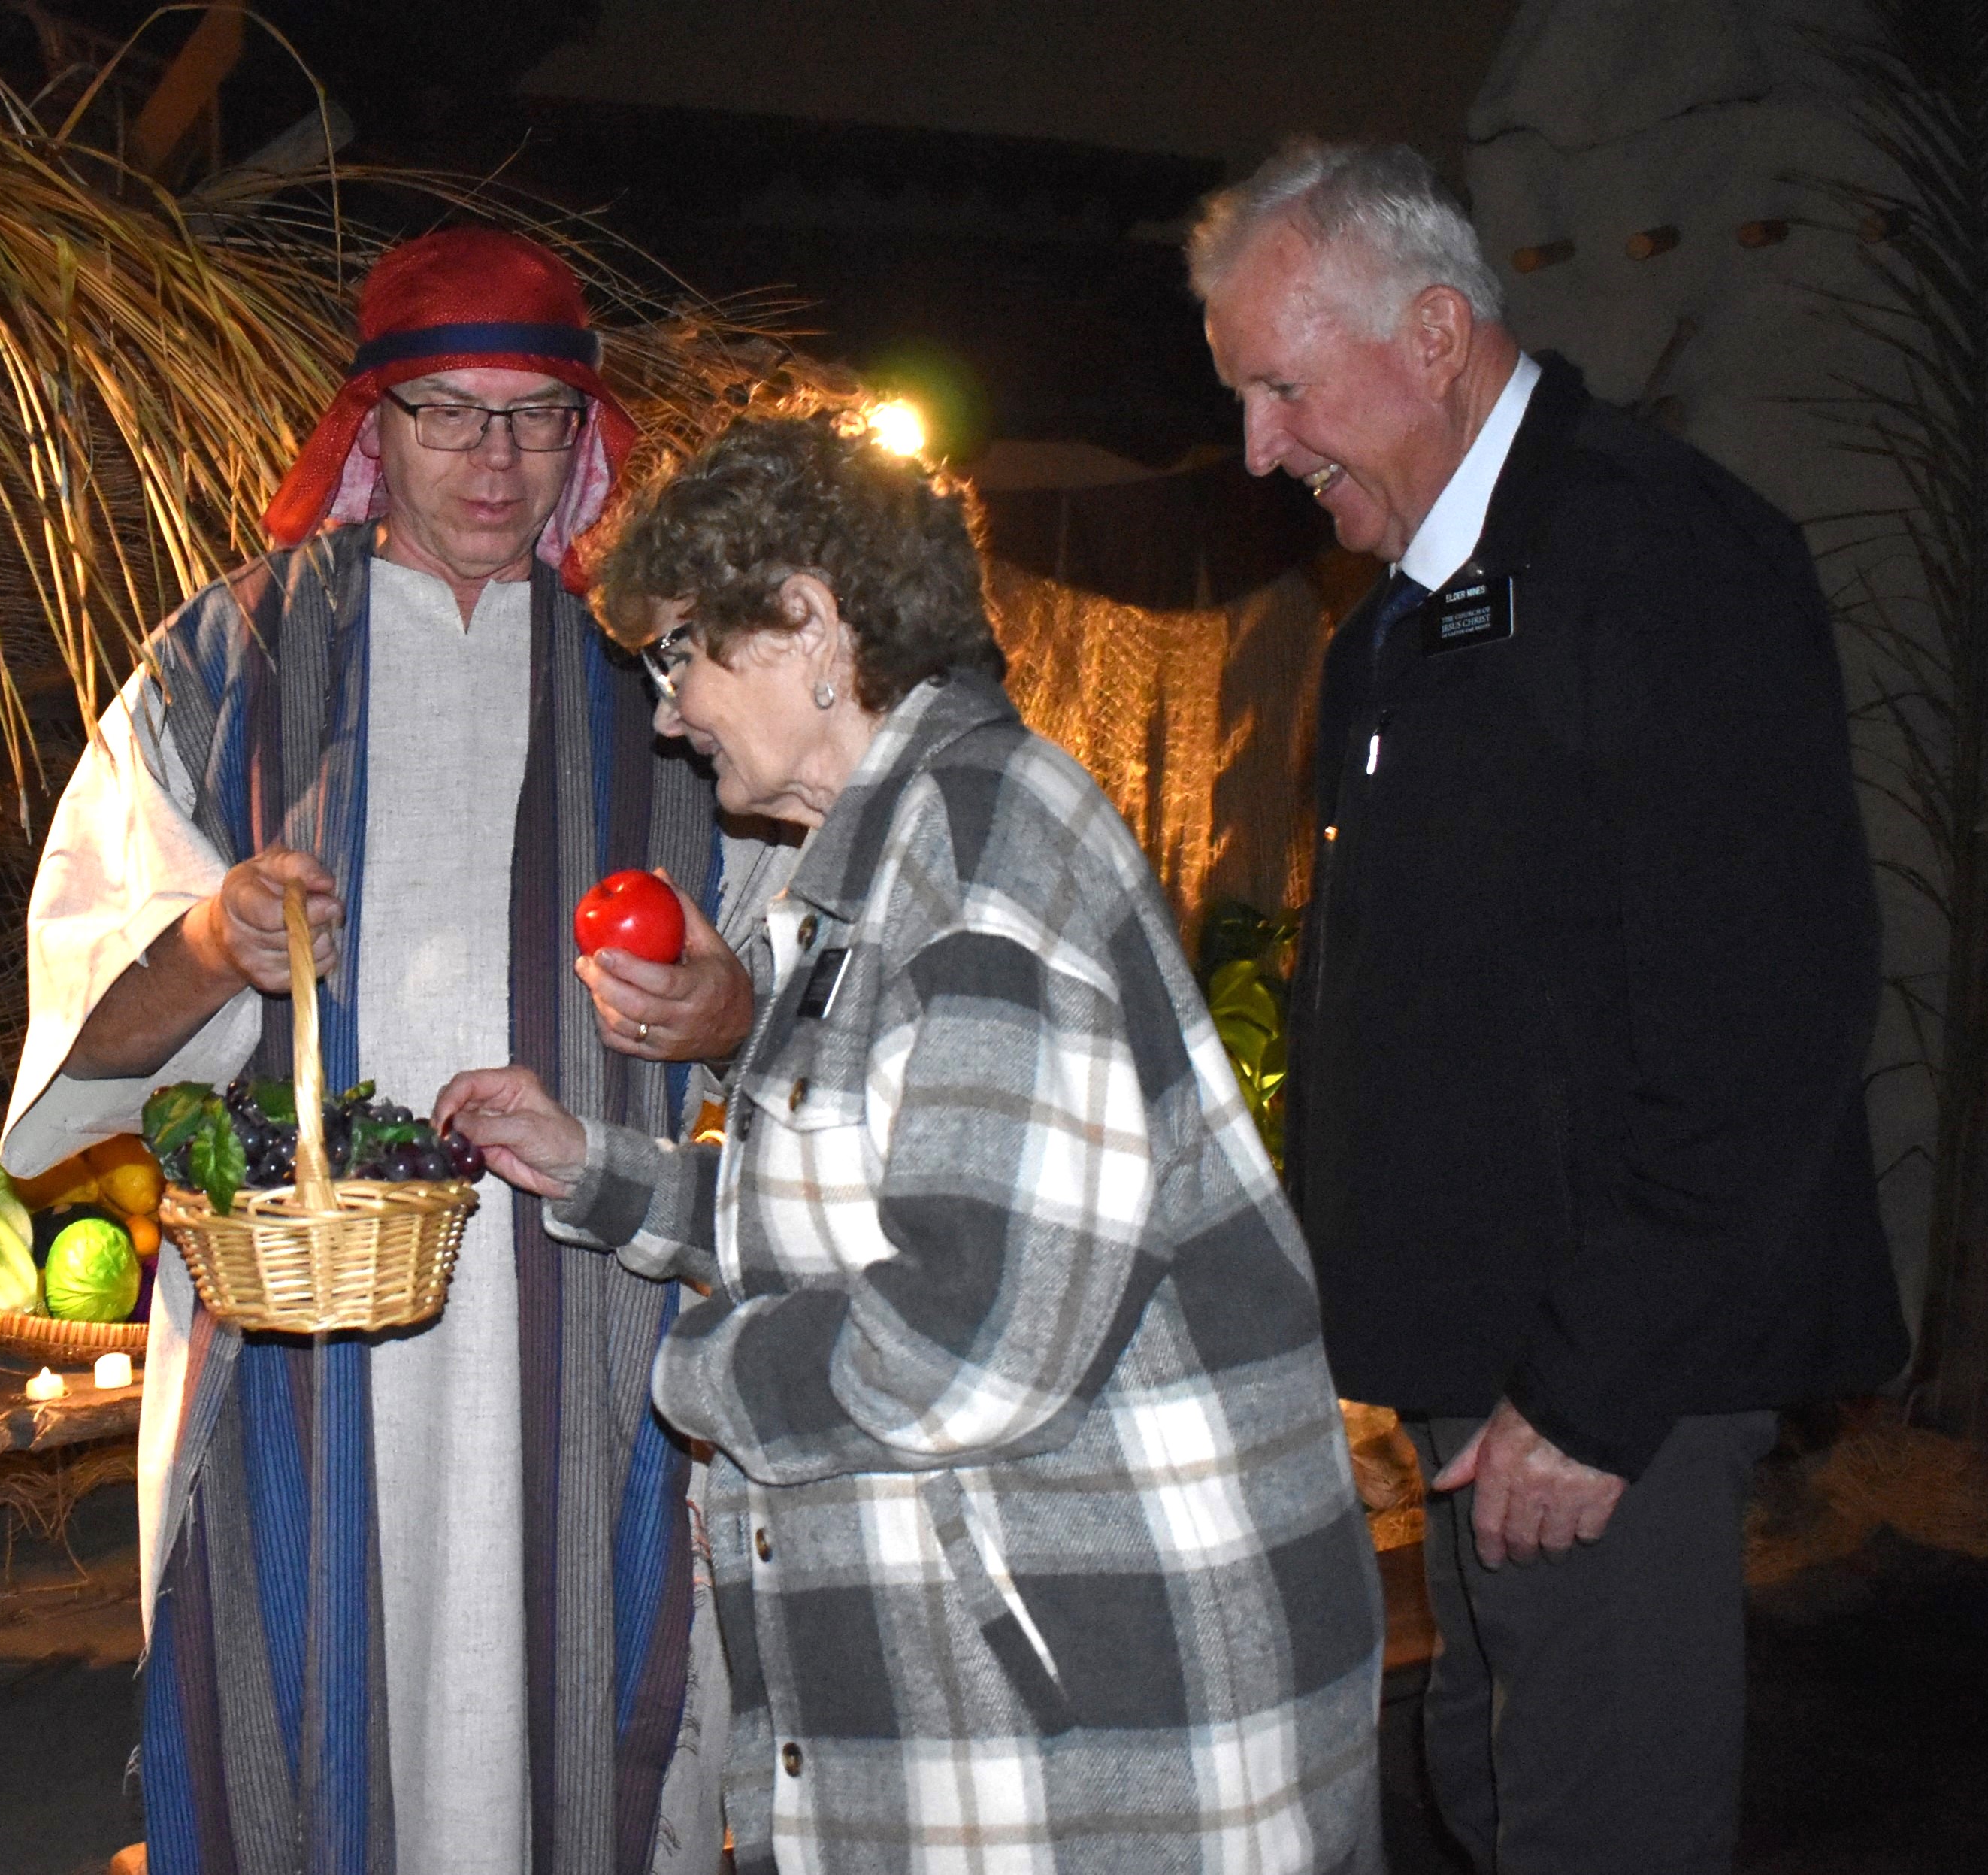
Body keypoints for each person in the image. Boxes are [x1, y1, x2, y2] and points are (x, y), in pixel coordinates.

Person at [437, 414, 1387, 1875]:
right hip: (1012, 1705)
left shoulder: (980, 843)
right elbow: (858, 1209)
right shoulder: (878, 866)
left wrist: (691, 1371)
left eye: (680, 650)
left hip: (1105, 1725)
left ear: (810, 621)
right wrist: (592, 1170)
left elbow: (971, 1332)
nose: (668, 712)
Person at [2, 225, 788, 1875]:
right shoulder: (222, 664)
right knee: (305, 1695)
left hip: (596, 1313)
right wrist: (209, 938)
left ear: (588, 436)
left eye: (536, 417)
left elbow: (801, 981)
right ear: (371, 423)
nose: (496, 461)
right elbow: (80, 996)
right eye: (449, 412)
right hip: (301, 1332)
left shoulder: (672, 673)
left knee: (585, 1703)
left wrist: (719, 1011)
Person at [1191, 141, 1911, 1874]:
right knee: (1492, 1774)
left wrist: (1588, 1396)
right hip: (1482, 1369)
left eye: (1281, 388)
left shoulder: (1659, 555)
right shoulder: (1399, 617)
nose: (1256, 448)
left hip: (1600, 1387)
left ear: (1433, 333)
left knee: (1600, 1816)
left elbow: (1766, 1018)